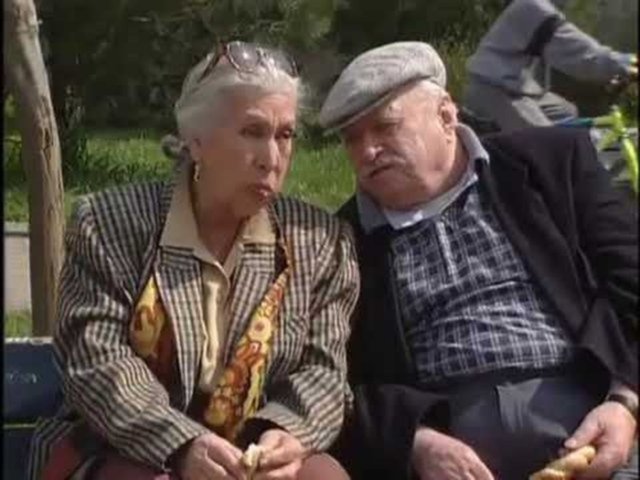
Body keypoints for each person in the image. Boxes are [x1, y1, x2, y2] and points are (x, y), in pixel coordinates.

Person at [28, 40, 358, 480]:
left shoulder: (318, 241)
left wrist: (287, 433)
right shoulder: (109, 224)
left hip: (250, 454)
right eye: (252, 132)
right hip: (128, 448)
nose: (272, 159)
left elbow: (324, 371)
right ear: (196, 141)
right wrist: (182, 444)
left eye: (285, 135)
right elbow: (97, 363)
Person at [318, 41, 638, 480]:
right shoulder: (339, 239)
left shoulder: (550, 164)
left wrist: (625, 402)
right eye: (352, 139)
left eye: (385, 128)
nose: (367, 151)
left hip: (594, 418)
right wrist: (415, 441)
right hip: (449, 450)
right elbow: (335, 377)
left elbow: (631, 282)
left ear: (446, 116)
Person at [463, 0, 637, 131]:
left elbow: (569, 59)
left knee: (567, 112)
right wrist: (629, 62)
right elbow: (583, 55)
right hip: (496, 90)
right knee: (548, 144)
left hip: (520, 88)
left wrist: (615, 72)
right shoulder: (534, 8)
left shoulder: (546, 8)